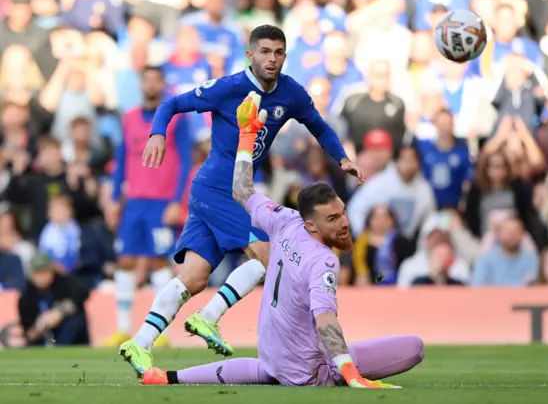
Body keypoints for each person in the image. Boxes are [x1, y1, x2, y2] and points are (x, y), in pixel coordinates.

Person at [119, 25, 363, 375]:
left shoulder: (291, 93)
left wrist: (342, 158)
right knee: (269, 253)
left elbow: (319, 126)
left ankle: (139, 342)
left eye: (278, 52)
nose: (272, 59)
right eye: (265, 52)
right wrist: (158, 133)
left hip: (223, 190)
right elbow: (172, 103)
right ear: (250, 54)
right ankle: (208, 316)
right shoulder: (229, 87)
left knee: (193, 277)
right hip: (221, 189)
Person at [139, 91, 423, 388]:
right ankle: (336, 369)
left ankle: (171, 378)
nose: (344, 224)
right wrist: (351, 375)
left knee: (261, 370)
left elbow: (242, 190)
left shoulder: (283, 220)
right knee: (414, 346)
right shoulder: (323, 259)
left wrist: (247, 138)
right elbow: (325, 320)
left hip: (273, 358)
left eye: (342, 213)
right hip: (308, 373)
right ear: (312, 226)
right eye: (333, 219)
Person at [104, 66, 191, 348]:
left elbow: (186, 162)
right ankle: (122, 329)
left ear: (163, 84)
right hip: (135, 202)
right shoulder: (128, 118)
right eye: (147, 79)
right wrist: (115, 197)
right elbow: (121, 159)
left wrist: (178, 201)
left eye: (156, 79)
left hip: (162, 201)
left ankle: (162, 333)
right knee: (125, 260)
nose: (151, 84)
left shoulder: (176, 119)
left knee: (158, 262)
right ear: (141, 83)